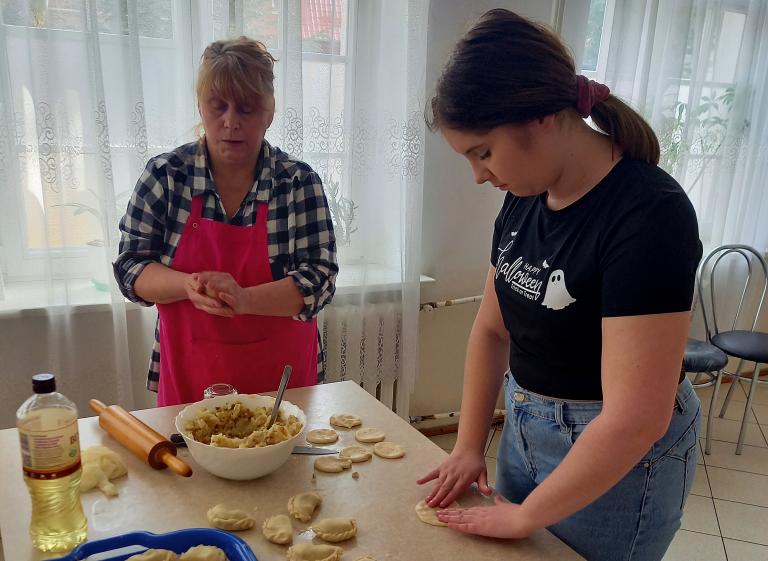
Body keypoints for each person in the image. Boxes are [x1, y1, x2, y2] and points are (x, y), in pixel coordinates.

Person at [417, 9, 702, 561]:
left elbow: (636, 417)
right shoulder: (524, 197)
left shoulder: (649, 214)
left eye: (483, 151)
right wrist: (470, 444)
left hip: (617, 456)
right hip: (526, 425)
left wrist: (525, 515)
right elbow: (492, 331)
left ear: (541, 117)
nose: (479, 175)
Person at [114, 37, 338, 407]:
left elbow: (320, 279)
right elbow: (130, 268)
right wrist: (188, 285)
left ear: (270, 112)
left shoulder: (298, 183)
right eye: (218, 106)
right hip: (191, 378)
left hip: (281, 386)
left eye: (247, 109)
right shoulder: (167, 177)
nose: (231, 122)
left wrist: (245, 299)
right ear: (200, 107)